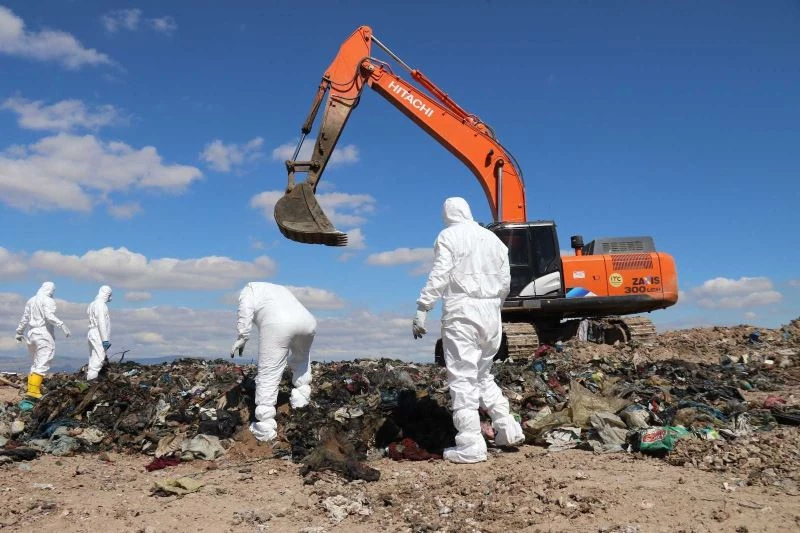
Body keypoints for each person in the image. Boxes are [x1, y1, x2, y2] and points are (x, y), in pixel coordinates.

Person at [413, 197, 525, 463]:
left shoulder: (449, 236)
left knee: (462, 377)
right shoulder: (493, 240)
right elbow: (505, 282)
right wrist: (493, 307)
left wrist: (423, 306)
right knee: (483, 374)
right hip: (491, 313)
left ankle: (470, 444)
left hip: (463, 311)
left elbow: (441, 272)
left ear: (448, 214)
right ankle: (508, 428)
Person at [230, 282, 317, 442]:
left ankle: (265, 428)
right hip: (308, 322)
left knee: (269, 373)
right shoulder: (280, 289)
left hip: (278, 323)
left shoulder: (249, 289)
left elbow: (245, 311)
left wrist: (242, 336)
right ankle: (300, 404)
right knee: (302, 361)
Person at [14, 282, 71, 402]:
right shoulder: (48, 300)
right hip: (43, 334)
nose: (52, 292)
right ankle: (33, 391)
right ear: (49, 290)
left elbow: (25, 318)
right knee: (44, 361)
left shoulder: (31, 300)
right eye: (53, 290)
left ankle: (31, 390)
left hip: (31, 334)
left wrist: (19, 332)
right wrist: (62, 325)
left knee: (35, 363)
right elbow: (48, 315)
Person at [86, 285, 112, 381]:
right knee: (99, 359)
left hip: (92, 332)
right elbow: (101, 322)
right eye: (109, 295)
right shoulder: (101, 305)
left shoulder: (92, 304)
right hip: (98, 334)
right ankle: (91, 381)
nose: (110, 298)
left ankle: (90, 378)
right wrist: (105, 340)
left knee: (93, 357)